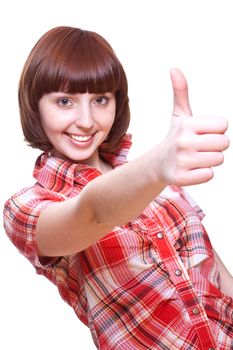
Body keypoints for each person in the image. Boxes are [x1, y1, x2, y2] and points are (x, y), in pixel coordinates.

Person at [3, 26, 233, 349]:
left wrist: (159, 171)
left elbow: (216, 275)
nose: (86, 120)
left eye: (99, 99)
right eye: (65, 101)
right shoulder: (27, 207)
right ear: (35, 106)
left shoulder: (158, 182)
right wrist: (158, 166)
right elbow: (91, 212)